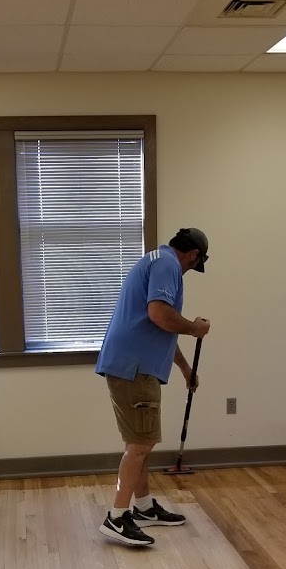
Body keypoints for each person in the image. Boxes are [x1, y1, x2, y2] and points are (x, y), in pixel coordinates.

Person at [95, 228, 211, 546]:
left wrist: (186, 369)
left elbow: (159, 329)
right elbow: (160, 315)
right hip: (135, 369)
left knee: (139, 442)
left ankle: (144, 508)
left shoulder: (154, 260)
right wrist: (194, 328)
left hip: (130, 365)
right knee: (140, 445)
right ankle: (117, 517)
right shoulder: (168, 265)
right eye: (193, 265)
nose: (189, 271)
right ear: (193, 255)